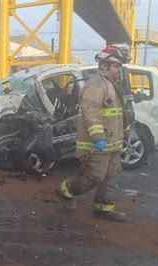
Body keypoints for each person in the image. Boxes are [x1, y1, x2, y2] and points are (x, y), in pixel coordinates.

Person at [55, 45, 131, 222]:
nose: (119, 70)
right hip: (97, 143)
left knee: (112, 175)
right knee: (95, 176)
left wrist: (125, 131)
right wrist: (98, 137)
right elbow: (91, 112)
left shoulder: (113, 85)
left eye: (120, 66)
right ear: (104, 66)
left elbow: (119, 114)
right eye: (116, 66)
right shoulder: (95, 85)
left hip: (113, 142)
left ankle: (104, 208)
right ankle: (65, 190)